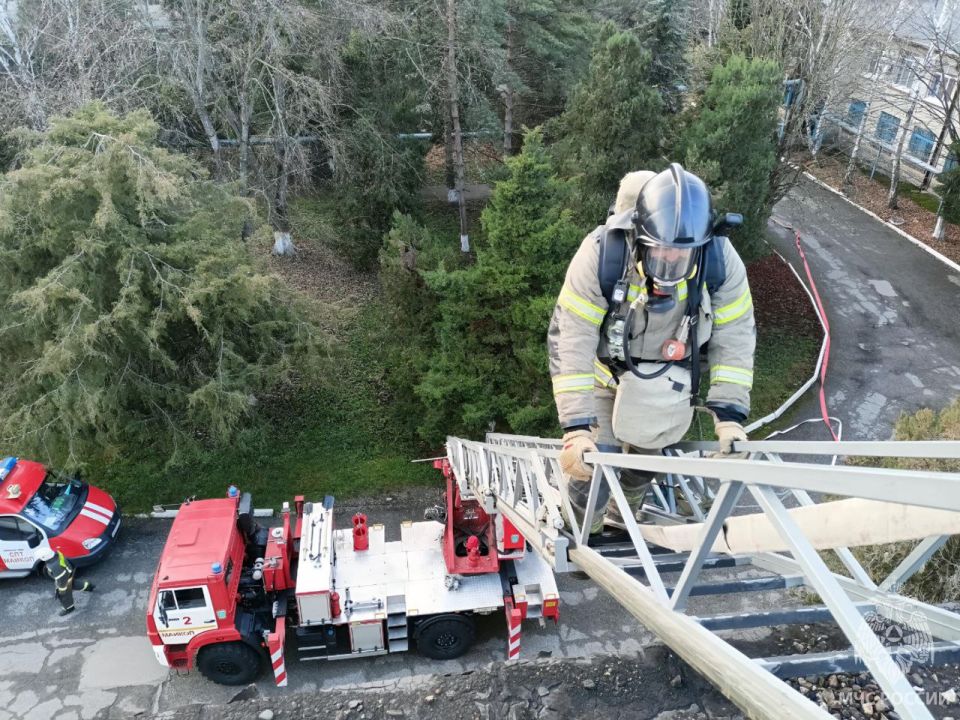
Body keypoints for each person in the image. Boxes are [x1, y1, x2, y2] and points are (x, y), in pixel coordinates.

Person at [548, 164, 756, 534]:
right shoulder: (602, 254)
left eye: (682, 253)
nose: (671, 261)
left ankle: (621, 519)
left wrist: (729, 418)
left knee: (644, 466)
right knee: (593, 469)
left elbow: (735, 336)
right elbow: (571, 335)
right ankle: (582, 533)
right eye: (660, 251)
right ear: (639, 236)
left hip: (666, 385)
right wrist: (577, 428)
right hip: (606, 380)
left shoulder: (720, 261)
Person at [36, 547, 95, 616]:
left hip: (64, 578)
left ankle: (69, 608)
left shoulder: (54, 566)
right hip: (68, 573)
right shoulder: (56, 554)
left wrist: (61, 590)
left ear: (44, 557)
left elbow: (61, 580)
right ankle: (88, 586)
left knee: (64, 596)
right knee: (73, 584)